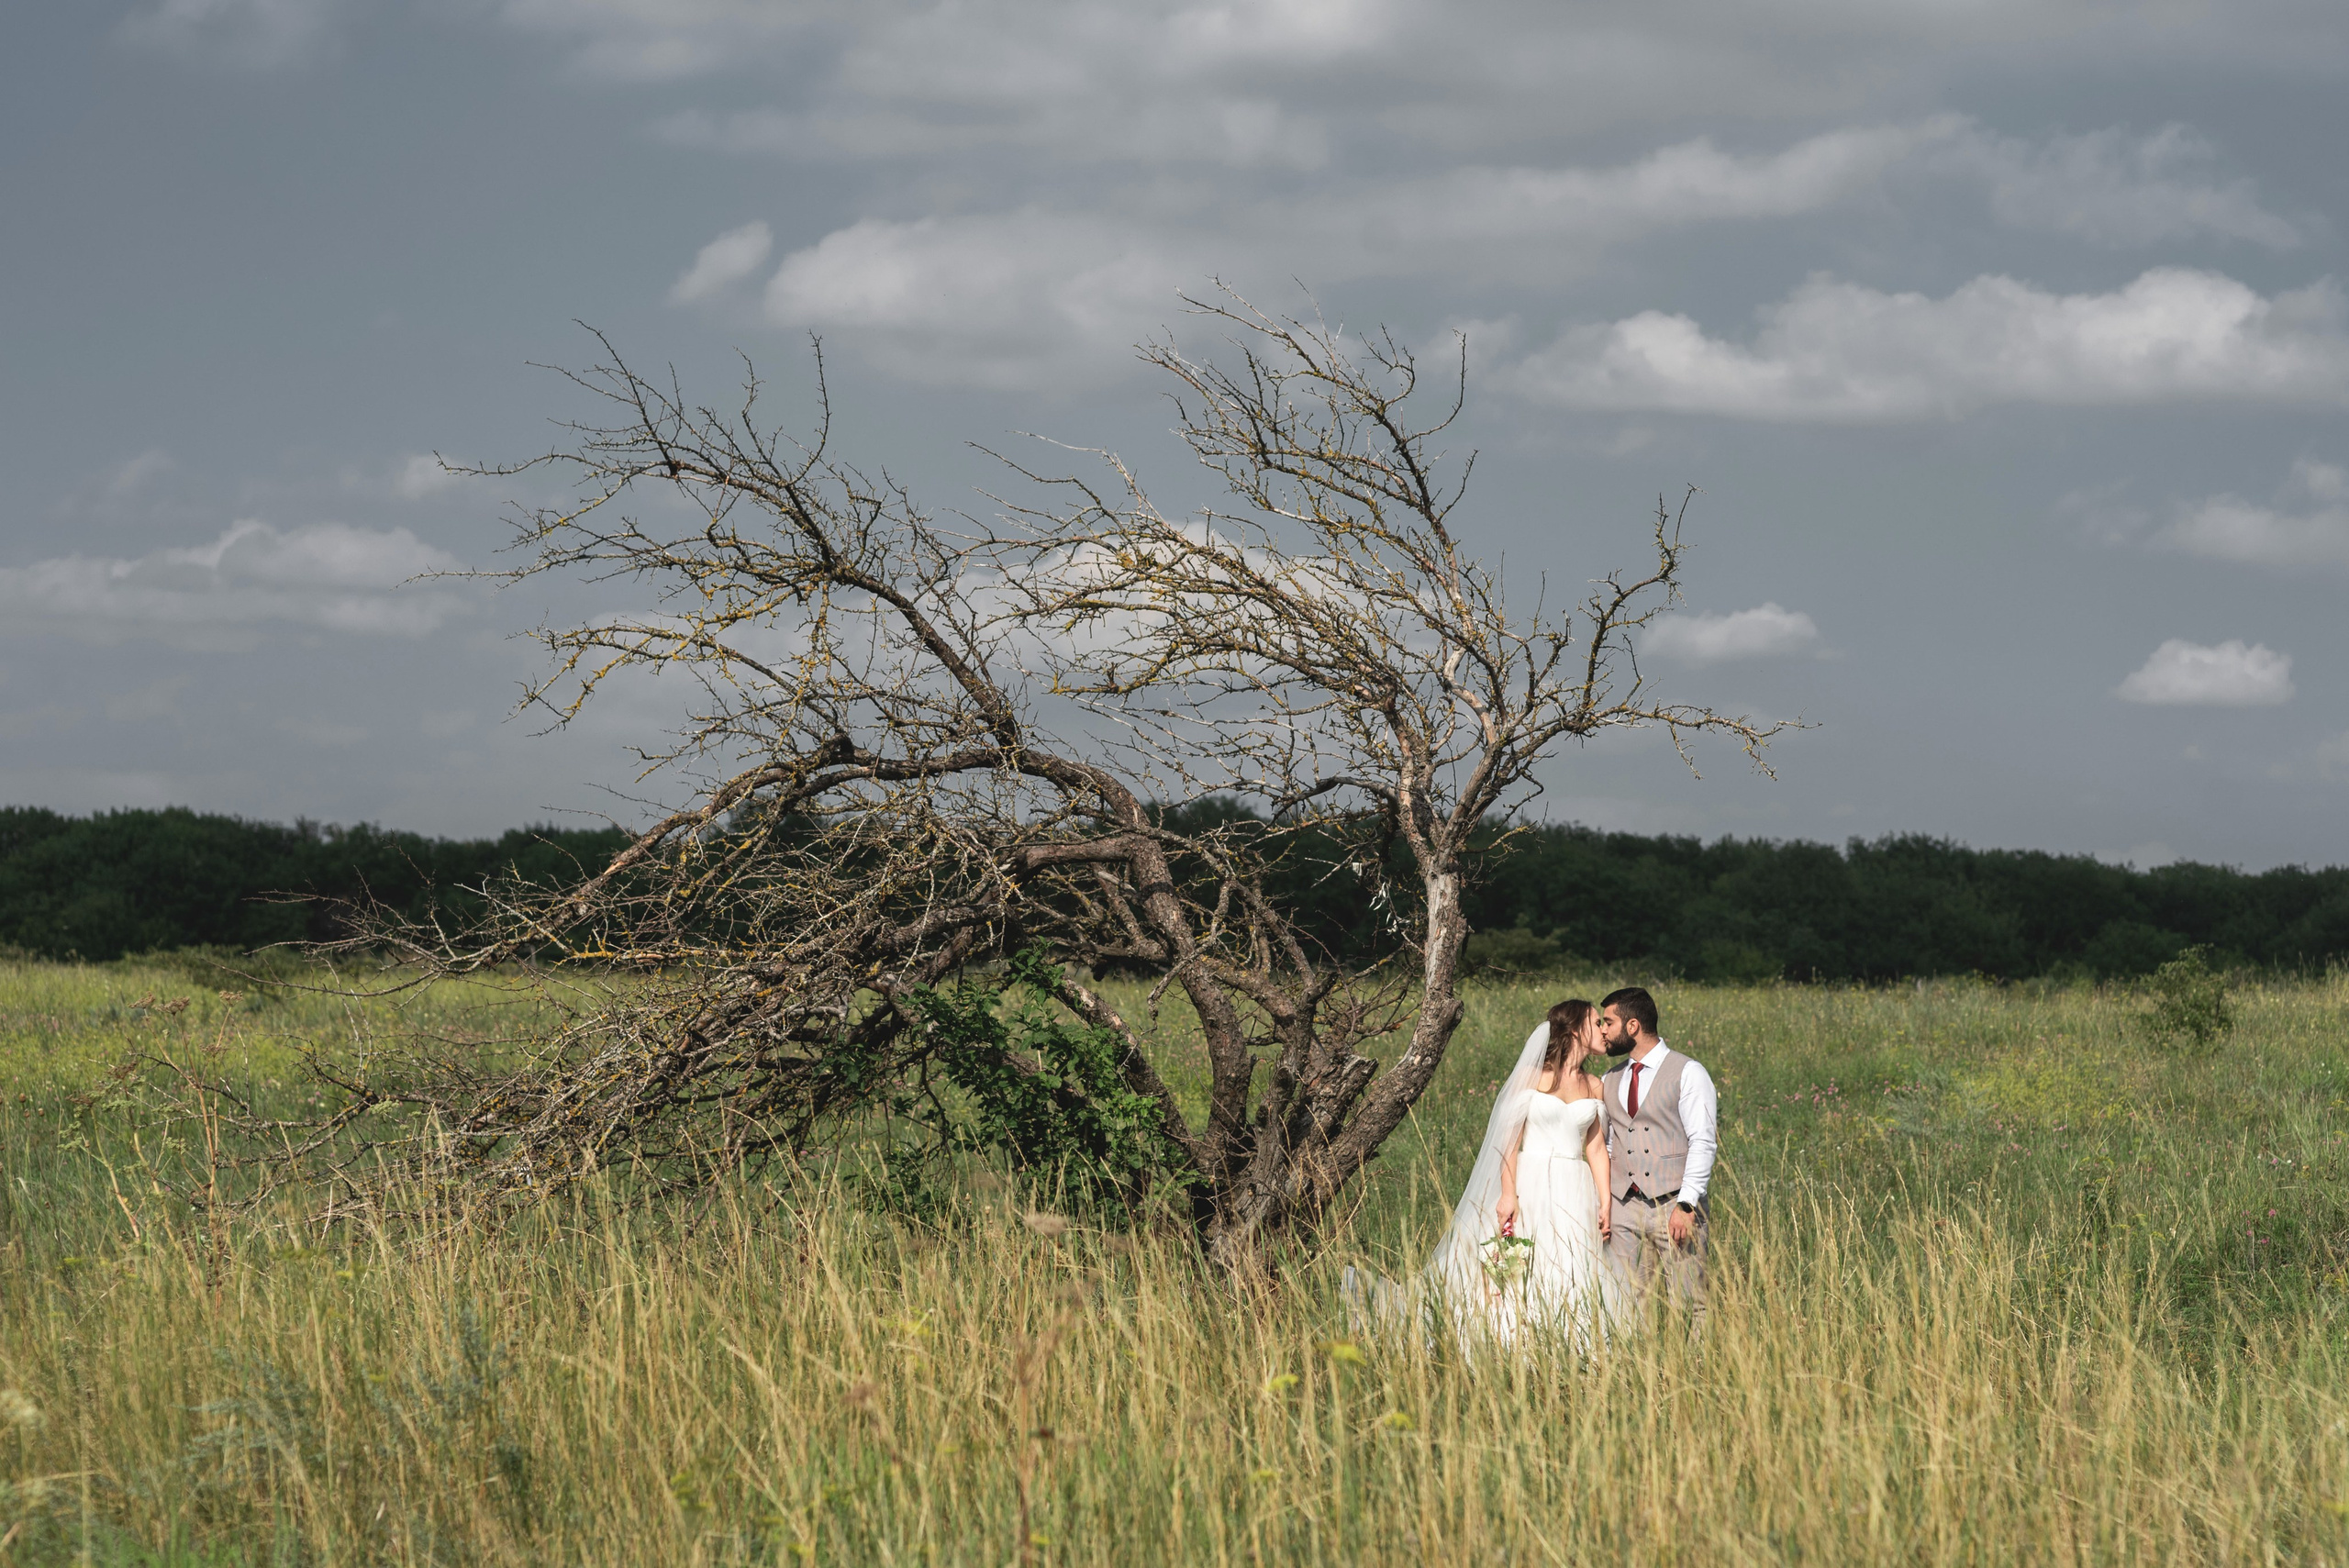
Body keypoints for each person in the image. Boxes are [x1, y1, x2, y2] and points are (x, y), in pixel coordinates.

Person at [1423, 999, 1626, 1350]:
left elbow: (1594, 1148)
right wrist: (1507, 1193)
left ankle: (1569, 1343)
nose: (1604, 1030)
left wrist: (1605, 1200)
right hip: (1531, 1182)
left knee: (1571, 1264)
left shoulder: (1594, 1085)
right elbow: (1509, 1141)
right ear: (1577, 1029)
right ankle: (1512, 1341)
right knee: (1523, 1261)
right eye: (1596, 1022)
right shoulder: (1534, 1077)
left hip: (1575, 1189)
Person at [1596, 985, 1717, 1344]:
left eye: (1608, 1022)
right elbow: (1606, 1142)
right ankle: (1639, 1374)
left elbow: (1703, 1141)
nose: (1602, 1030)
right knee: (1627, 1298)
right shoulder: (1609, 1079)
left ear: (1632, 1026)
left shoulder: (1689, 1072)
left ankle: (1696, 1372)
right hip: (1624, 1208)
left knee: (1691, 1299)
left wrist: (1687, 1203)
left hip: (1673, 1205)